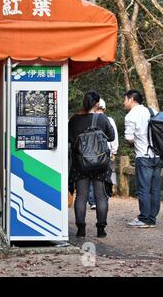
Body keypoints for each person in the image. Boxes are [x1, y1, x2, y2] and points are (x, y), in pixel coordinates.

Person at [69, 91, 115, 238]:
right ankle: (101, 230)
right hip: (100, 163)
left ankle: (80, 229)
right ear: (97, 104)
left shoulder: (75, 119)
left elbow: (69, 139)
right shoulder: (102, 118)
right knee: (101, 196)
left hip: (80, 163)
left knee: (81, 196)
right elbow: (112, 137)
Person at [123, 90, 163, 228]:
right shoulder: (151, 110)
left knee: (143, 189)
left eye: (125, 100)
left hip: (143, 156)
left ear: (131, 99)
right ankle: (152, 218)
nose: (124, 103)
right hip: (158, 156)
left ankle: (144, 218)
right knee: (155, 189)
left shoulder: (130, 116)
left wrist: (136, 141)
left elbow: (129, 138)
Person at [88, 98, 119, 209]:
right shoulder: (109, 119)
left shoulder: (88, 119)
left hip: (89, 153)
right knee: (105, 176)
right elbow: (113, 137)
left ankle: (92, 201)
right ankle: (103, 198)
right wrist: (114, 151)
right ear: (104, 108)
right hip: (105, 153)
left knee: (91, 176)